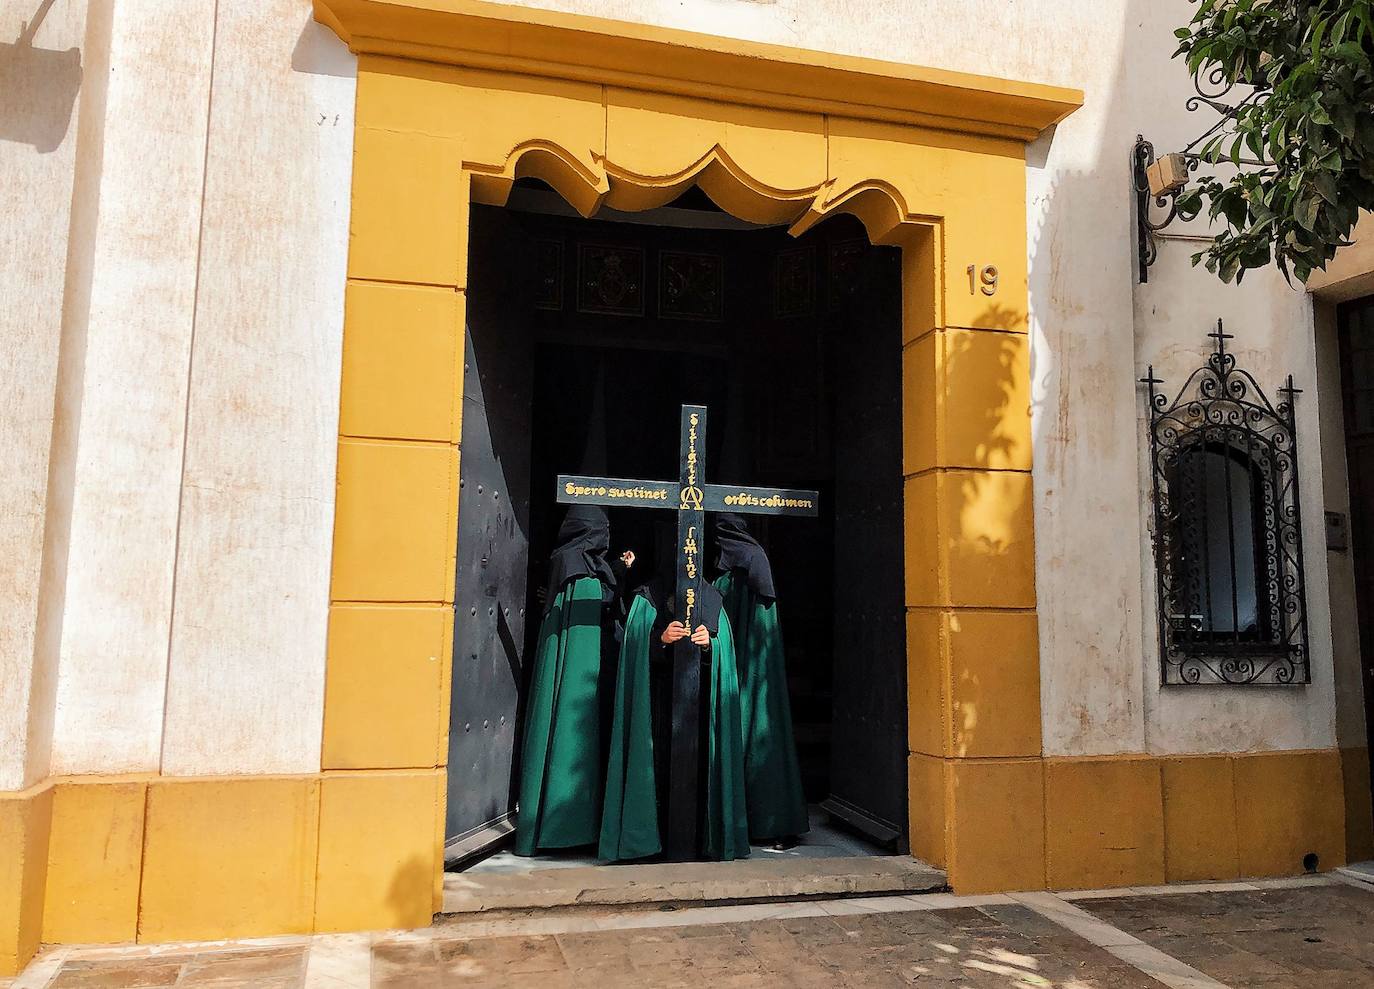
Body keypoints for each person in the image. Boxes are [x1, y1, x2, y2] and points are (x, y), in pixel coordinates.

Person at [600, 554, 750, 862]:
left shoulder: (712, 599)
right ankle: (650, 841)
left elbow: (724, 654)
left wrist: (710, 644)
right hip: (656, 702)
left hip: (699, 707)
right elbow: (635, 646)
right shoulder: (647, 598)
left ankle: (703, 839)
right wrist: (661, 640)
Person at [514, 506, 631, 855]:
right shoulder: (576, 567)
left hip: (590, 664)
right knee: (572, 734)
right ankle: (567, 825)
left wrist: (619, 574)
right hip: (584, 672)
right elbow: (604, 604)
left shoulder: (574, 563)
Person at [712, 513, 809, 845]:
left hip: (752, 672)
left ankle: (768, 821)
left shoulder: (747, 566)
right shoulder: (745, 566)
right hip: (745, 669)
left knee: (758, 733)